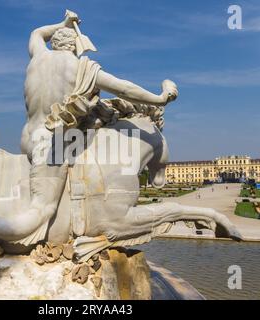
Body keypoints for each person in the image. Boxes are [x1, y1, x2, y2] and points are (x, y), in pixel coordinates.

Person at [18, 10, 178, 244]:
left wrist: (63, 23)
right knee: (104, 138)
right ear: (74, 45)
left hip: (28, 139)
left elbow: (37, 33)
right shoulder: (82, 68)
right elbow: (125, 89)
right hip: (56, 144)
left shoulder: (38, 57)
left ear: (56, 42)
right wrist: (159, 99)